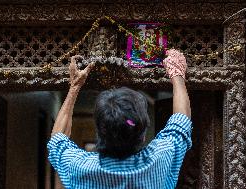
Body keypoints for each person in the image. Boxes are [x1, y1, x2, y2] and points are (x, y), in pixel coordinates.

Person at [47, 49, 192, 189]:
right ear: (142, 136)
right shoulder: (160, 157)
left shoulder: (80, 167)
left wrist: (74, 87)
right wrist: (177, 75)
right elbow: (181, 120)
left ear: (99, 131)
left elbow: (57, 139)